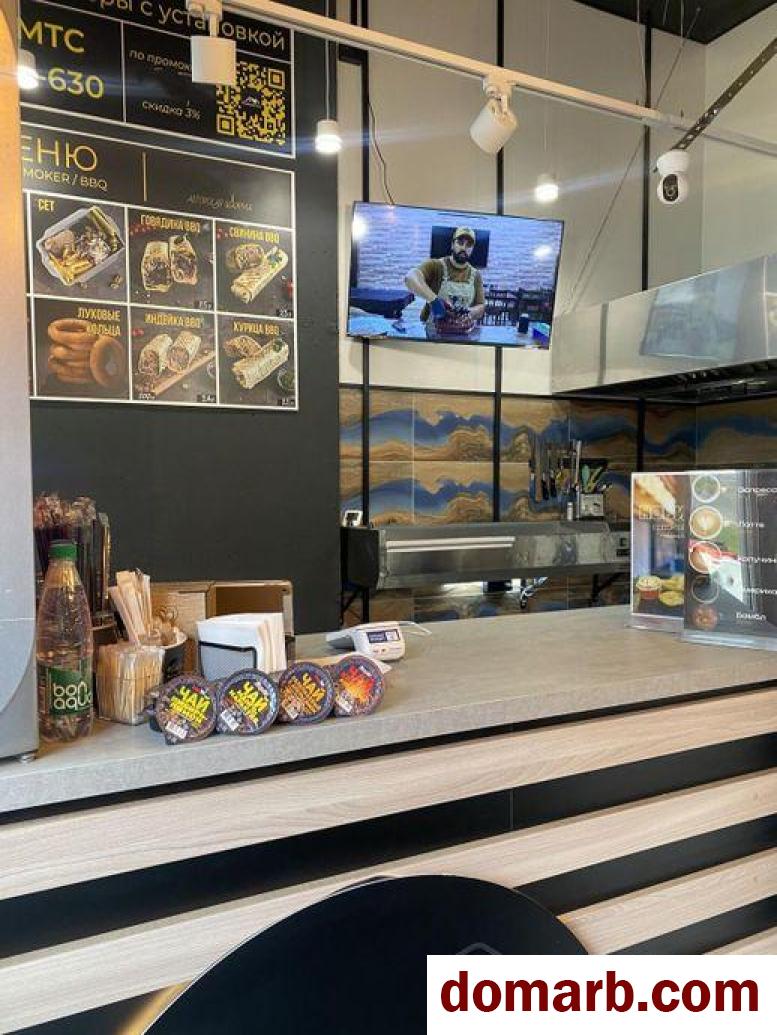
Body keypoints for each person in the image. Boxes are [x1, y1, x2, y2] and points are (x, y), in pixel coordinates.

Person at [404, 227, 486, 326]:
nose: (464, 248)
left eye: (468, 245)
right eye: (460, 243)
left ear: (472, 249)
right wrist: (434, 300)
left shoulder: (476, 275)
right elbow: (410, 277)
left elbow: (481, 306)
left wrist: (470, 313)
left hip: (461, 329)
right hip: (432, 329)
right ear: (452, 245)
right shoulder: (436, 266)